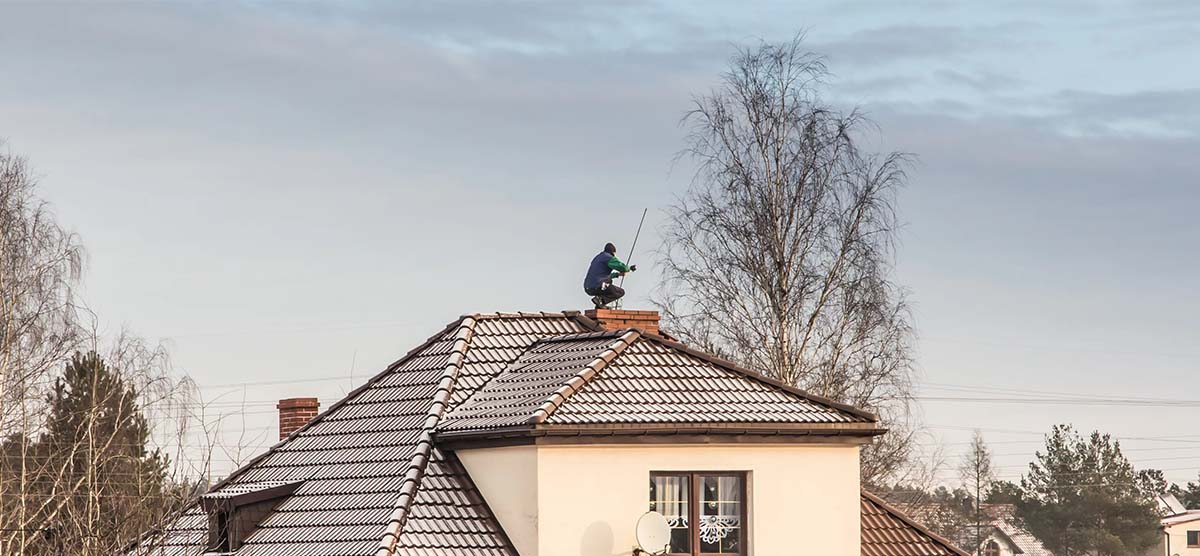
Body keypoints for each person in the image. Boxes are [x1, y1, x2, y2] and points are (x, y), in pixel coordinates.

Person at [583, 242, 636, 308]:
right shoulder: (609, 257)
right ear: (613, 252)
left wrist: (618, 274)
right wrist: (628, 268)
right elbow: (623, 268)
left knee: (607, 283)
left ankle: (599, 305)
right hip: (598, 285)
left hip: (588, 287)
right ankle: (600, 301)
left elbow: (602, 275)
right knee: (620, 292)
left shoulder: (598, 258)